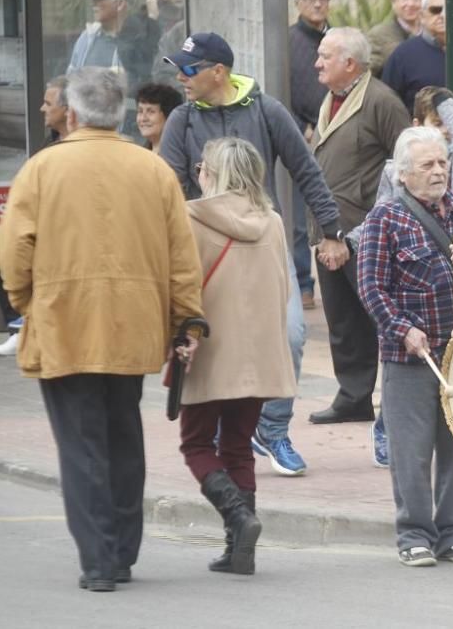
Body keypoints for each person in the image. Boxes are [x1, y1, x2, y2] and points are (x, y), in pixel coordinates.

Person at [0, 67, 204, 592]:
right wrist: (186, 319)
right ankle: (122, 553)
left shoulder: (42, 169)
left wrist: (29, 302)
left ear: (71, 113)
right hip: (134, 324)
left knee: (81, 443)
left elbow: (13, 253)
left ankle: (98, 560)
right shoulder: (152, 170)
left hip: (64, 320)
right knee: (123, 437)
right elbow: (184, 257)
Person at [160, 32, 346, 475]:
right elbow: (164, 189)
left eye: (188, 69)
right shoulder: (181, 120)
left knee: (292, 336)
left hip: (263, 245)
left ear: (217, 72)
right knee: (217, 345)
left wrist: (333, 231)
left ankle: (275, 429)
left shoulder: (266, 109)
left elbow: (307, 171)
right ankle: (227, 433)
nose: (180, 78)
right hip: (208, 255)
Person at [357, 126, 453, 567]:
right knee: (411, 449)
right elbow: (370, 287)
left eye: (442, 162)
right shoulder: (385, 218)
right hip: (410, 353)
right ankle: (414, 534)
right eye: (428, 165)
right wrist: (402, 328)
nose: (439, 171)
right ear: (404, 175)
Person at [348, 85, 453, 467]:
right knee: (404, 384)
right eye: (436, 124)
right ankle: (386, 427)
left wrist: (447, 105)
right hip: (411, 288)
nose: (438, 168)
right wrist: (356, 242)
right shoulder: (396, 176)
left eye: (449, 128)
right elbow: (379, 217)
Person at [177, 137, 297, 576]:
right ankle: (239, 551)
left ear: (214, 173)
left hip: (208, 350)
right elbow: (284, 289)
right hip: (260, 355)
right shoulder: (274, 223)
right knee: (238, 447)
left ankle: (238, 519)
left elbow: (183, 287)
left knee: (195, 443)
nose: (198, 172)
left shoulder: (191, 218)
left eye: (202, 167)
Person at [308, 27, 412, 425]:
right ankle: (353, 396)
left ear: (349, 63)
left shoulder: (381, 102)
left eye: (325, 57)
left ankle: (397, 399)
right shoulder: (333, 97)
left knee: (378, 315)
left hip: (365, 233)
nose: (317, 63)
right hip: (327, 229)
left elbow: (404, 163)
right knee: (342, 319)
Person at [0, 76, 69, 356]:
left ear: (68, 110)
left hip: (65, 234)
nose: (42, 109)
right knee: (1, 254)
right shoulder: (52, 142)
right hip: (46, 227)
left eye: (48, 103)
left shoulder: (73, 146)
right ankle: (19, 327)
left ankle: (26, 325)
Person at [381, 0, 453, 140]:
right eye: (436, 10)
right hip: (426, 150)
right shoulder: (403, 56)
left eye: (450, 9)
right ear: (422, 16)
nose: (443, 15)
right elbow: (389, 108)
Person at [290, 0, 337, 310]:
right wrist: (302, 129)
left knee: (331, 209)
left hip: (335, 135)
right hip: (301, 136)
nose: (317, 5)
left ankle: (334, 274)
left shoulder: (338, 40)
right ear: (298, 4)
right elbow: (281, 93)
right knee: (295, 218)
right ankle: (303, 282)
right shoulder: (287, 42)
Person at [68, 0, 160, 134]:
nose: (94, 4)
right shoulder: (88, 38)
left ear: (120, 3)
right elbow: (71, 77)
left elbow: (150, 80)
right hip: (87, 127)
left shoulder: (140, 39)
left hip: (129, 129)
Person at [367, 0, 430, 78]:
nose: (410, 4)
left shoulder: (432, 32)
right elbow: (368, 74)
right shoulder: (379, 35)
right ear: (393, 2)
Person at [135, 82, 182, 152]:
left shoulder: (179, 158)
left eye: (151, 111)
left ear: (169, 116)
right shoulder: (140, 153)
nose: (143, 118)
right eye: (140, 111)